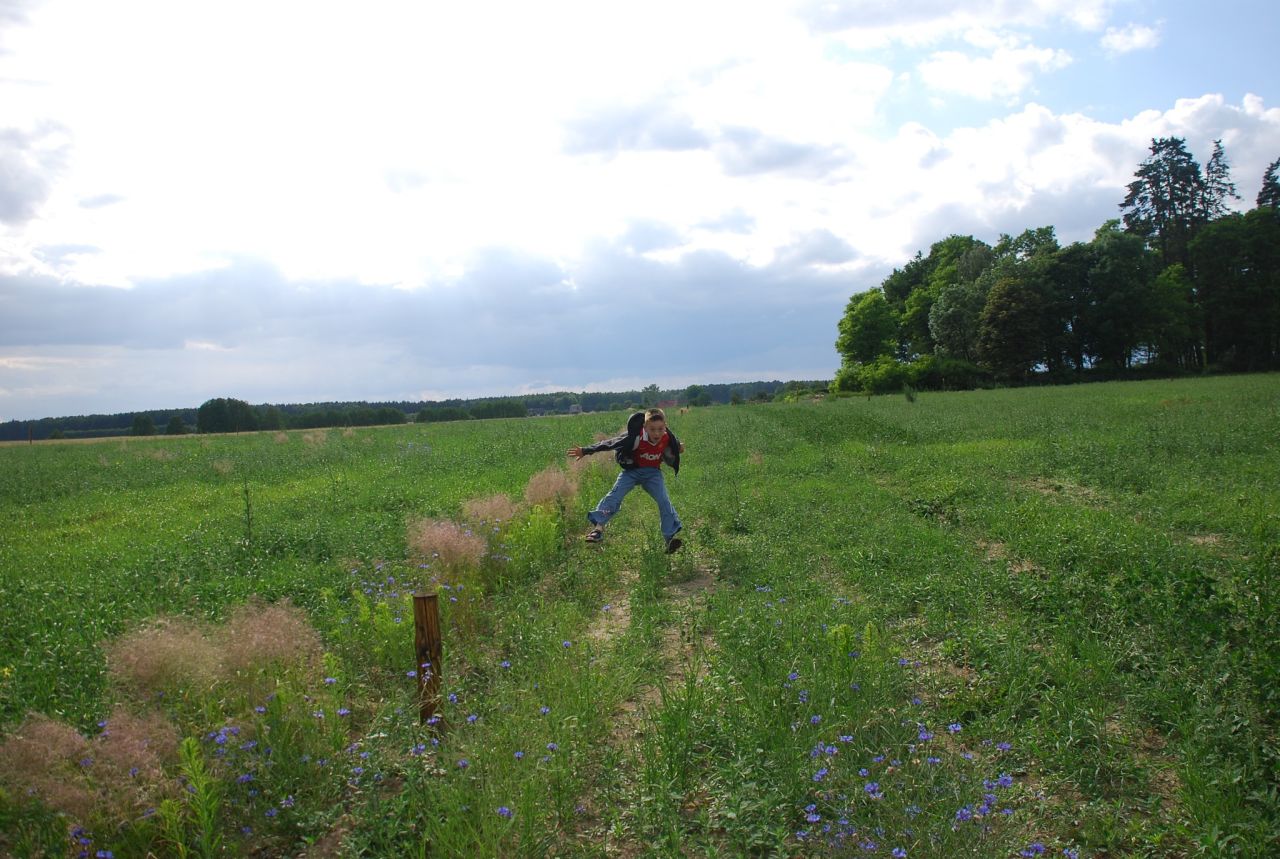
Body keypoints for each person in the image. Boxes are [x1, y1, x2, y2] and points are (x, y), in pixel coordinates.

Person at [567, 408, 685, 553]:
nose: (656, 433)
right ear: (645, 427)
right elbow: (610, 443)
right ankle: (598, 530)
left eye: (660, 429)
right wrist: (585, 450)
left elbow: (677, 446)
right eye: (652, 429)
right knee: (615, 496)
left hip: (653, 474)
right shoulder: (634, 437)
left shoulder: (668, 437)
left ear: (665, 426)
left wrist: (679, 448)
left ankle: (669, 539)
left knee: (664, 500)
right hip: (631, 472)